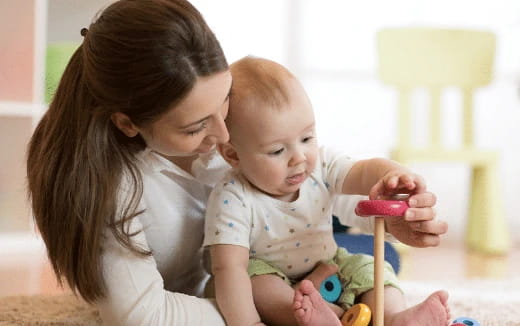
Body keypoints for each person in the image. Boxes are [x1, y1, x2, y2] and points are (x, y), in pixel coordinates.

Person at [25, 0, 446, 325]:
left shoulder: (230, 132)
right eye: (195, 128)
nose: (225, 139)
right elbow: (145, 316)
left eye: (224, 103)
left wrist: (391, 206)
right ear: (129, 123)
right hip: (243, 275)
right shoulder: (111, 191)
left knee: (377, 262)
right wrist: (261, 312)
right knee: (294, 283)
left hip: (288, 237)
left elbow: (318, 179)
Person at [203, 56, 451, 326]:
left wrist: (393, 174)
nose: (299, 157)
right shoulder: (232, 196)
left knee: (371, 268)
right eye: (277, 150)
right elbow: (229, 267)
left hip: (330, 265)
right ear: (232, 154)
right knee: (254, 283)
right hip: (276, 278)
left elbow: (362, 171)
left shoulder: (320, 165)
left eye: (307, 138)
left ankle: (394, 317)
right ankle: (323, 319)